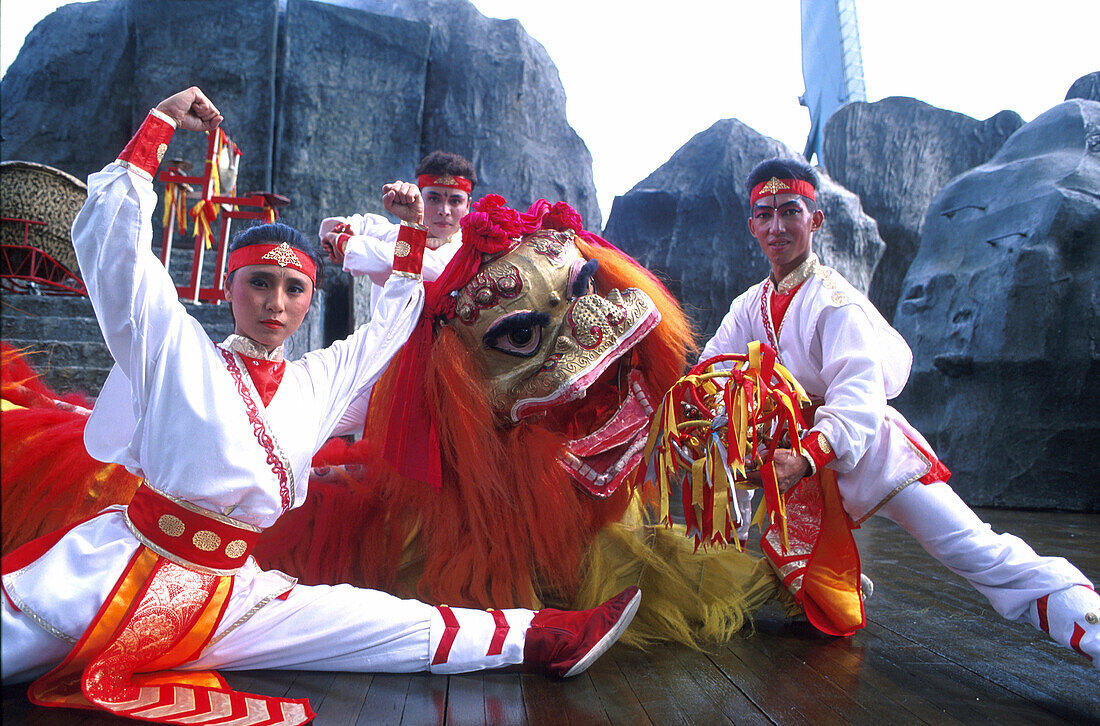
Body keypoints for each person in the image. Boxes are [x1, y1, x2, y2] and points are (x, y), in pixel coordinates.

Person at [0, 87, 640, 724]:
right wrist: (159, 126)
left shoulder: (317, 378)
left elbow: (391, 324)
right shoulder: (172, 347)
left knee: (382, 623)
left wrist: (415, 230)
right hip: (111, 575)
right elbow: (117, 258)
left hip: (231, 595)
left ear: (309, 300)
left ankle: (543, 636)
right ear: (231, 289)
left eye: (293, 288)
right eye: (259, 282)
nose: (275, 302)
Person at [700, 157, 1098, 665]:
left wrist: (805, 456)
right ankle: (836, 583)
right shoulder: (748, 308)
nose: (777, 226)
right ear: (752, 225)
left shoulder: (836, 302)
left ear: (815, 220)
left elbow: (859, 396)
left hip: (873, 457)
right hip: (803, 469)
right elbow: (714, 369)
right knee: (787, 556)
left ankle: (1087, 621)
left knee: (974, 550)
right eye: (765, 214)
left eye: (790, 211)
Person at [318, 150, 476, 320]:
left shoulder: (469, 252)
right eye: (434, 199)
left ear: (468, 205)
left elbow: (403, 263)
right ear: (420, 199)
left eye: (455, 201)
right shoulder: (393, 234)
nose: (444, 211)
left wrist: (347, 245)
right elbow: (349, 225)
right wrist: (340, 231)